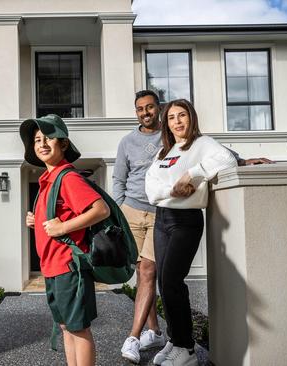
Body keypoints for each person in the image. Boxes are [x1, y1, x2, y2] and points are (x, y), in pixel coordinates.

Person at [145, 99, 238, 366]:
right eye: (171, 117)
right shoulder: (165, 151)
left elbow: (227, 159)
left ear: (191, 118)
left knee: (173, 280)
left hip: (186, 220)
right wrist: (174, 188)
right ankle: (175, 340)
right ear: (166, 123)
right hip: (162, 218)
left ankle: (186, 350)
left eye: (182, 115)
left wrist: (193, 174)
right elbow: (151, 190)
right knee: (164, 282)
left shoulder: (202, 144)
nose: (177, 121)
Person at [20, 114, 110, 366]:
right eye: (37, 139)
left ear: (64, 143)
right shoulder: (47, 180)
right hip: (53, 268)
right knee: (66, 327)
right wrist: (36, 219)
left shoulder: (67, 177)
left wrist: (62, 228)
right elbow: (58, 216)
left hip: (69, 266)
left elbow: (100, 210)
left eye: (49, 137)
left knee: (77, 328)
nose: (42, 143)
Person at [115, 90, 166, 364]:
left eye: (149, 107)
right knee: (141, 272)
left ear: (158, 108)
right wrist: (119, 213)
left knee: (148, 270)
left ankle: (133, 337)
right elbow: (118, 180)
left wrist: (239, 159)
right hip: (131, 212)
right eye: (139, 109)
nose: (145, 113)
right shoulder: (127, 142)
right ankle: (155, 331)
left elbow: (202, 145)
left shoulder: (170, 134)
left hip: (160, 213)